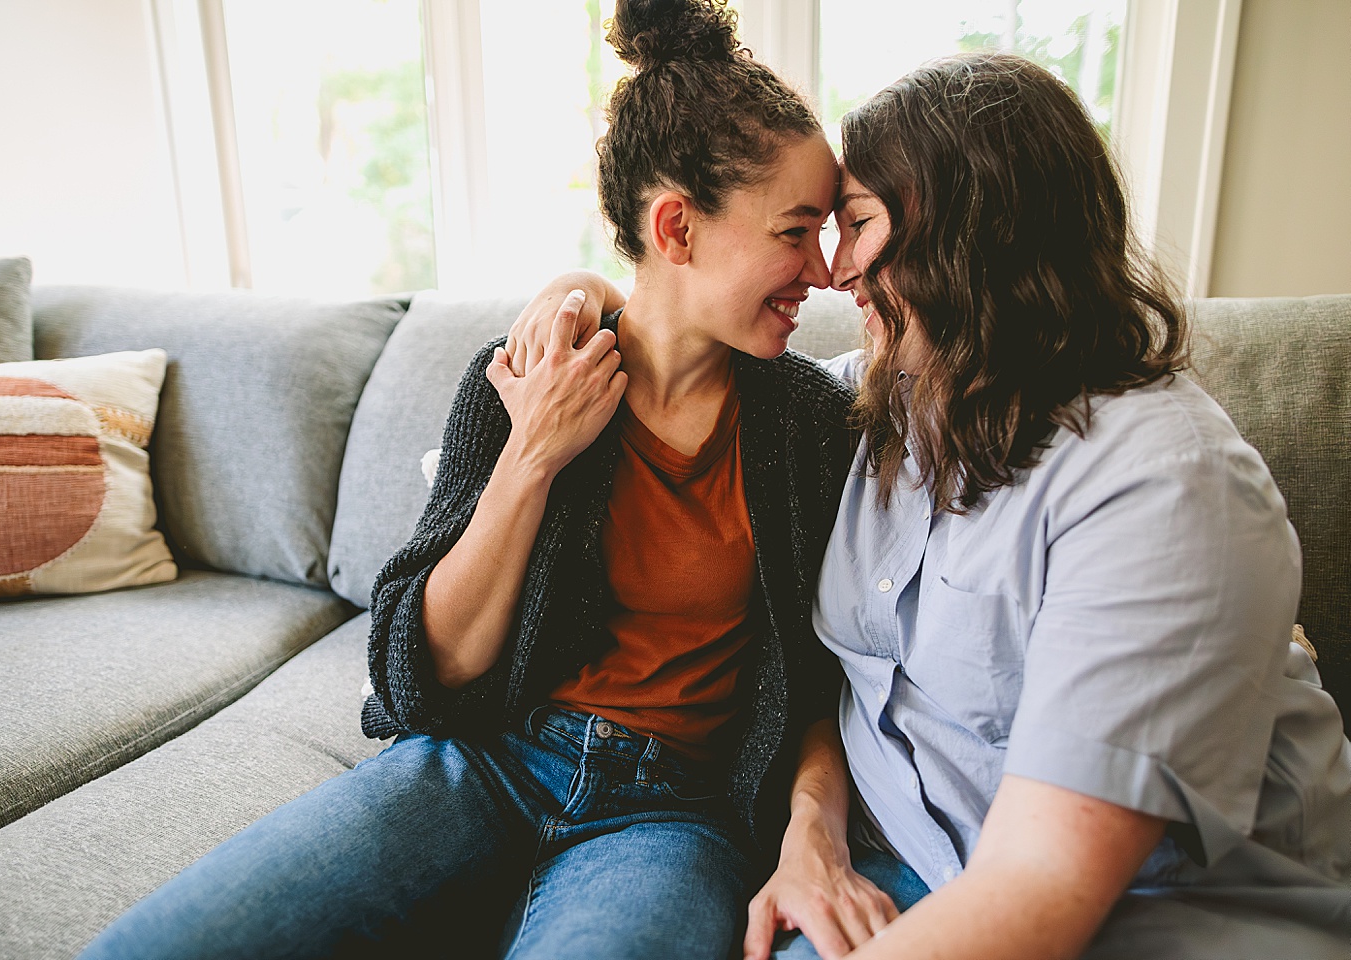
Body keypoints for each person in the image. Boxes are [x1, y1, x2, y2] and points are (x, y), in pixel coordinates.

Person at [512, 52, 1351, 960]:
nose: (831, 272)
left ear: (971, 240)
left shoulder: (1164, 486)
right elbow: (688, 353)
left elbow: (1045, 890)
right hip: (904, 865)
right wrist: (585, 294)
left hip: (1142, 920)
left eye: (858, 225)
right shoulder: (892, 401)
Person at [77, 2, 861, 958]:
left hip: (671, 821)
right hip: (483, 764)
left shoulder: (809, 422)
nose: (825, 271)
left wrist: (812, 829)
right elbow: (418, 675)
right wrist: (531, 456)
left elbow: (825, 678)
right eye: (796, 231)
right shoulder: (520, 376)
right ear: (677, 229)